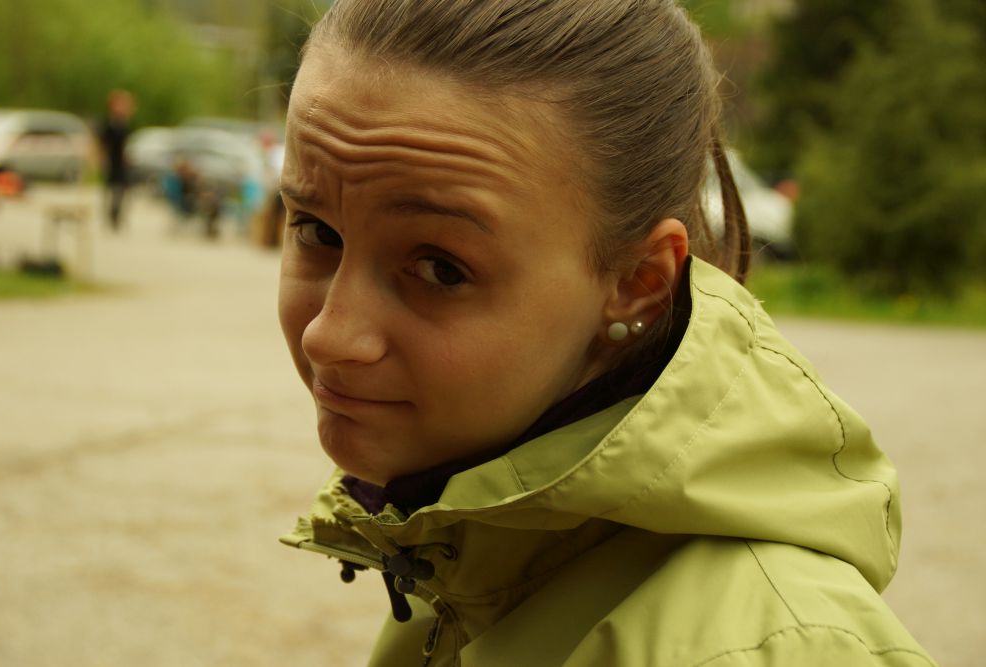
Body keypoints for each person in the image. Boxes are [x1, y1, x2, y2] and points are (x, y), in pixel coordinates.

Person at [276, 2, 937, 665]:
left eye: (440, 269)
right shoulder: (463, 553)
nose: (329, 337)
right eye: (316, 230)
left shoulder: (768, 650)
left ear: (637, 283)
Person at [99, 90, 135, 231]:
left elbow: (126, 144)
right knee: (111, 189)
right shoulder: (109, 123)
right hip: (112, 161)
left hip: (122, 162)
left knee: (122, 190)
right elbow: (104, 144)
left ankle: (117, 216)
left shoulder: (124, 123)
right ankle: (111, 215)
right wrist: (102, 160)